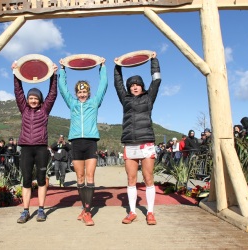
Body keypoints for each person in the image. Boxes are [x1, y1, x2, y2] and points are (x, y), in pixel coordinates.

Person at [58, 56, 108, 226]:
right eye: (79, 92)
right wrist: (63, 70)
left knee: (90, 175)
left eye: (84, 91)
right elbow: (63, 89)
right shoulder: (72, 103)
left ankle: (87, 211)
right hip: (76, 143)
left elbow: (103, 86)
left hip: (91, 142)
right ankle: (84, 208)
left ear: (88, 92)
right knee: (79, 177)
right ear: (76, 93)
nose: (82, 94)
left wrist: (102, 67)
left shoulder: (94, 102)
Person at [114, 51, 161, 225]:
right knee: (131, 179)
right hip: (130, 144)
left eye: (137, 84)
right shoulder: (125, 99)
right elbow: (117, 83)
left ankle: (150, 212)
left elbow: (156, 80)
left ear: (142, 86)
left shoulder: (149, 98)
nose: (134, 87)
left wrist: (154, 60)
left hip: (147, 142)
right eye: (132, 85)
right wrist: (118, 66)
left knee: (148, 178)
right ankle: (132, 212)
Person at [12, 60, 58, 224]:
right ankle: (25, 211)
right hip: (25, 148)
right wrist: (16, 74)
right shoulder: (23, 109)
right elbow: (18, 92)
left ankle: (40, 210)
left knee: (40, 178)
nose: (32, 100)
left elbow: (52, 94)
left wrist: (54, 75)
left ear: (39, 100)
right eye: (30, 98)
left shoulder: (44, 110)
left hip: (40, 149)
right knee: (25, 179)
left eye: (35, 98)